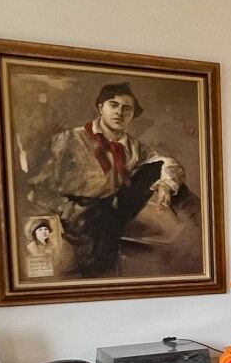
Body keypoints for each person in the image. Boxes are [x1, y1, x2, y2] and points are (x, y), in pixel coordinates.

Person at [24, 83, 185, 278]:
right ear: (100, 108)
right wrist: (67, 211)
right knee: (89, 263)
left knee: (156, 167)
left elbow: (166, 162)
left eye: (127, 109)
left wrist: (166, 184)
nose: (119, 113)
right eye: (113, 105)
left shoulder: (133, 146)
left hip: (113, 212)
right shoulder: (68, 140)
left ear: (132, 115)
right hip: (74, 213)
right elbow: (38, 185)